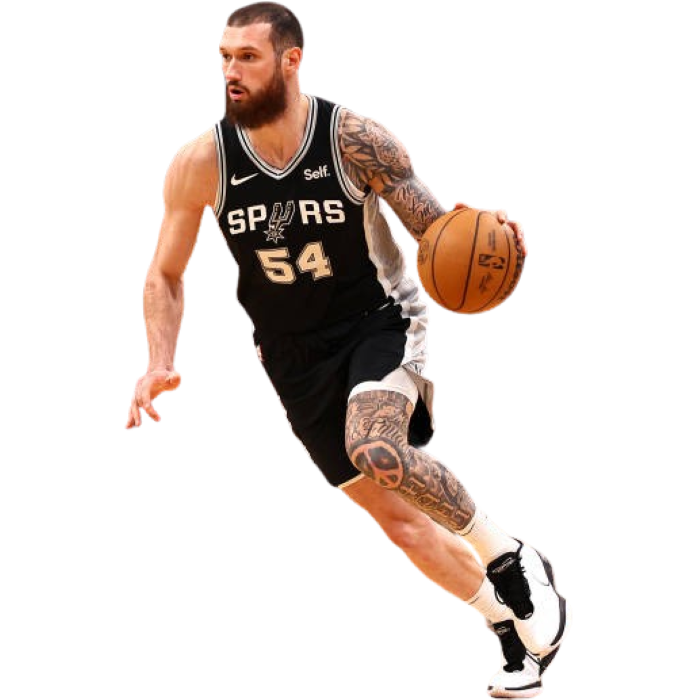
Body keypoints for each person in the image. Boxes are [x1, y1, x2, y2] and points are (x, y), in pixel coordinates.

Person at [124, 3, 572, 696]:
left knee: (376, 447)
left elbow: (436, 233)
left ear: (292, 60)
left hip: (377, 323)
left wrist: (490, 236)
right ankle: (507, 625)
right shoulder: (201, 162)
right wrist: (159, 360)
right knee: (402, 526)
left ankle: (513, 559)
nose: (231, 71)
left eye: (247, 57)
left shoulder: (356, 140)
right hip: (290, 355)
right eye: (223, 58)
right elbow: (165, 273)